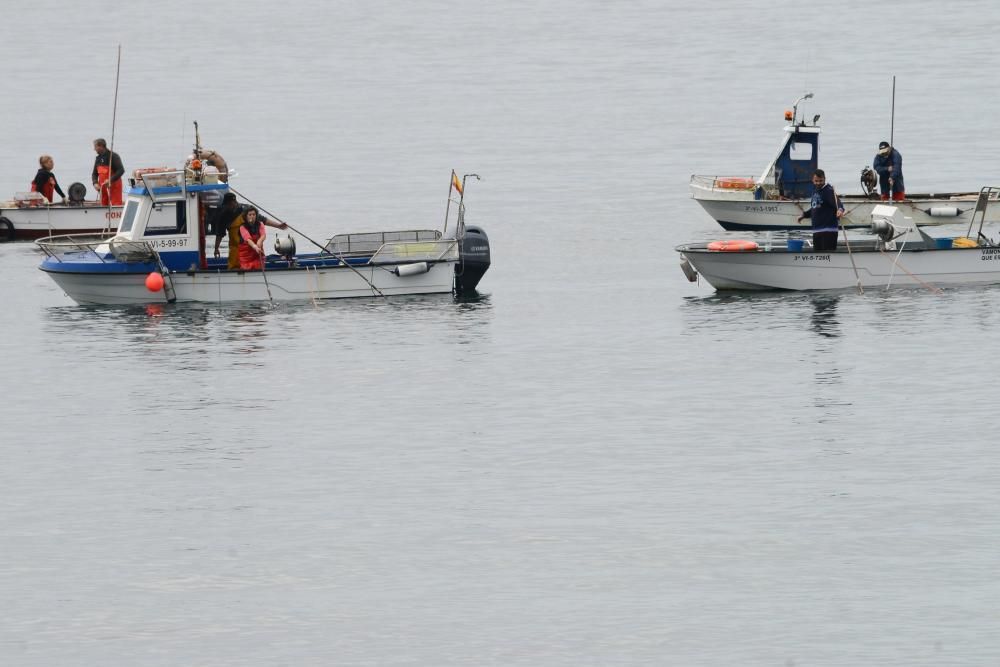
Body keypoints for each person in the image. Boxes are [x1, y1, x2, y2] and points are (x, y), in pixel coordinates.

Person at [212, 193, 288, 269]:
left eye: (229, 204)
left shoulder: (246, 210)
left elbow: (263, 220)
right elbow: (220, 234)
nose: (228, 207)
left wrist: (278, 226)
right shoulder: (223, 215)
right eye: (226, 205)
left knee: (257, 264)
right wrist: (216, 248)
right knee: (235, 266)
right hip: (235, 248)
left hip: (253, 248)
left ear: (234, 202)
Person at [796, 169, 843, 252]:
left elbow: (838, 203)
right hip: (817, 231)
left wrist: (840, 210)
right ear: (812, 180)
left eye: (821, 181)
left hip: (828, 232)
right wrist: (804, 215)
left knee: (827, 258)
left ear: (824, 179)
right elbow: (815, 208)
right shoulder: (815, 191)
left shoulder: (829, 190)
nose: (818, 183)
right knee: (818, 257)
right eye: (816, 181)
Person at [91, 138, 125, 205]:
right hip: (103, 188)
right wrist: (95, 183)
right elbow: (94, 174)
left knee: (115, 204)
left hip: (114, 187)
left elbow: (121, 170)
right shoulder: (98, 159)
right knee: (103, 204)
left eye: (95, 147)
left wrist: (110, 180)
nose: (94, 149)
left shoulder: (113, 156)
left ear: (101, 146)